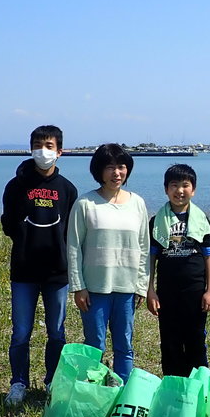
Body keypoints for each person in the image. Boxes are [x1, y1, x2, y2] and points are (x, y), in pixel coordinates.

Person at [0, 125, 78, 407]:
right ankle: (18, 382)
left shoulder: (67, 189)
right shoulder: (16, 185)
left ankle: (52, 382)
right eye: (37, 144)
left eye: (48, 145)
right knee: (21, 331)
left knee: (56, 331)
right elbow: (8, 224)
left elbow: (71, 230)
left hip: (57, 271)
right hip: (23, 271)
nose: (42, 151)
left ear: (59, 151)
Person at [67, 143, 150, 382]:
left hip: (127, 287)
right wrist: (78, 286)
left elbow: (143, 247)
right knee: (95, 344)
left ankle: (122, 392)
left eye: (122, 167)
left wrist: (141, 285)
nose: (117, 173)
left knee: (124, 343)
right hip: (94, 288)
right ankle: (94, 391)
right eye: (110, 167)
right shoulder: (85, 204)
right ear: (99, 171)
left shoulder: (137, 203)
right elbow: (73, 247)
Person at [145, 164, 210, 376]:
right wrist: (150, 290)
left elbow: (209, 257)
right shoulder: (156, 222)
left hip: (195, 292)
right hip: (167, 292)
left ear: (193, 190)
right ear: (166, 189)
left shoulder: (202, 220)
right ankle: (172, 385)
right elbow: (151, 258)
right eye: (174, 185)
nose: (180, 190)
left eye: (185, 185)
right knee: (169, 341)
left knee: (195, 339)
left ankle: (199, 385)